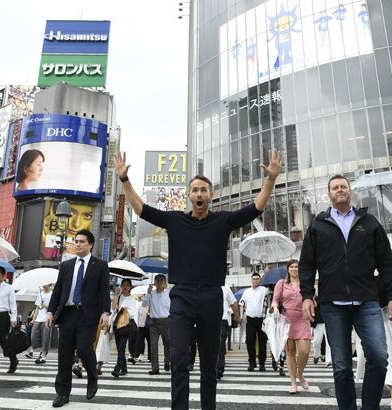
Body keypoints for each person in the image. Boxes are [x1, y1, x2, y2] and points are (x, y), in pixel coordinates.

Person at [114, 148, 281, 410]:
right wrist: (124, 180)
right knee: (180, 359)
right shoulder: (175, 220)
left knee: (209, 365)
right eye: (195, 190)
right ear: (189, 196)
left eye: (204, 189)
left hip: (212, 296)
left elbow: (255, 208)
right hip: (181, 296)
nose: (199, 194)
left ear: (210, 195)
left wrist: (270, 179)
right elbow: (141, 209)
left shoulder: (223, 221)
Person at [299, 174, 392, 410]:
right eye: (335, 187)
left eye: (343, 186)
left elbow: (386, 262)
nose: (340, 190)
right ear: (329, 194)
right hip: (332, 303)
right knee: (341, 365)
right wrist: (306, 296)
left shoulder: (369, 222)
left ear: (350, 192)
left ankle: (370, 406)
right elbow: (306, 264)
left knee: (378, 357)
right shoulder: (318, 224)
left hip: (367, 300)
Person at [45, 229, 111, 408]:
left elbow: (104, 291)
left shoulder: (100, 265)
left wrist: (106, 312)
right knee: (64, 355)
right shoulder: (66, 265)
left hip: (88, 315)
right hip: (67, 313)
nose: (78, 244)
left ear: (90, 244)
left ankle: (92, 375)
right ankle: (62, 393)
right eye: (76, 241)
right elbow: (58, 290)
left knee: (83, 349)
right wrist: (50, 312)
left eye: (82, 241)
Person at [272, 259, 312, 394]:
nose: (295, 269)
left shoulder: (306, 283)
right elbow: (275, 300)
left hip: (303, 319)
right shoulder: (281, 283)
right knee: (290, 353)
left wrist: (313, 304)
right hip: (287, 320)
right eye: (292, 267)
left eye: (297, 267)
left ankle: (300, 374)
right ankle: (293, 382)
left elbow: (312, 298)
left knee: (305, 351)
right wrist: (275, 308)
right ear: (288, 269)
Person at [240, 272, 270, 372]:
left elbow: (271, 289)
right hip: (250, 319)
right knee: (249, 341)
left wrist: (266, 272)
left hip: (261, 319)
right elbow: (241, 304)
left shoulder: (264, 290)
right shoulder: (246, 291)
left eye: (257, 279)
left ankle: (262, 363)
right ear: (251, 280)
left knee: (262, 342)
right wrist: (240, 316)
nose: (255, 280)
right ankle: (252, 362)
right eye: (254, 279)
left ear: (260, 280)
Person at [142, 274, 170, 375]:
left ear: (164, 283)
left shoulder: (169, 293)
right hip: (154, 322)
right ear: (154, 282)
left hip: (166, 321)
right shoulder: (151, 293)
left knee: (168, 344)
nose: (158, 283)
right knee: (153, 346)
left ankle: (167, 361)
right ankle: (155, 368)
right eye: (156, 281)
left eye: (161, 281)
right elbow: (144, 304)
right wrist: (148, 293)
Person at [110, 279, 139, 378]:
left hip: (126, 325)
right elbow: (113, 308)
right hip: (117, 325)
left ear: (130, 287)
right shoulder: (119, 297)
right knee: (119, 349)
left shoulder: (132, 299)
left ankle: (117, 368)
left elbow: (132, 313)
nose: (125, 287)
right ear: (121, 286)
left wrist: (123, 310)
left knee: (122, 347)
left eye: (127, 285)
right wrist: (116, 296)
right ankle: (125, 368)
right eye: (123, 285)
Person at [216, 285, 240, 379]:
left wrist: (237, 316)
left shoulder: (225, 288)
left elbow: (232, 303)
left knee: (220, 344)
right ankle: (213, 367)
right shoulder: (206, 286)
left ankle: (219, 368)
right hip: (209, 321)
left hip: (222, 320)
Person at [32, 283, 53, 364]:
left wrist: (47, 305)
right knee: (33, 336)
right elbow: (37, 307)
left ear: (49, 284)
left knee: (45, 337)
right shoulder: (40, 294)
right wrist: (33, 319)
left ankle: (43, 354)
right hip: (38, 319)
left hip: (47, 318)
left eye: (46, 283)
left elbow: (55, 306)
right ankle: (40, 351)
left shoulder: (52, 294)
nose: (44, 285)